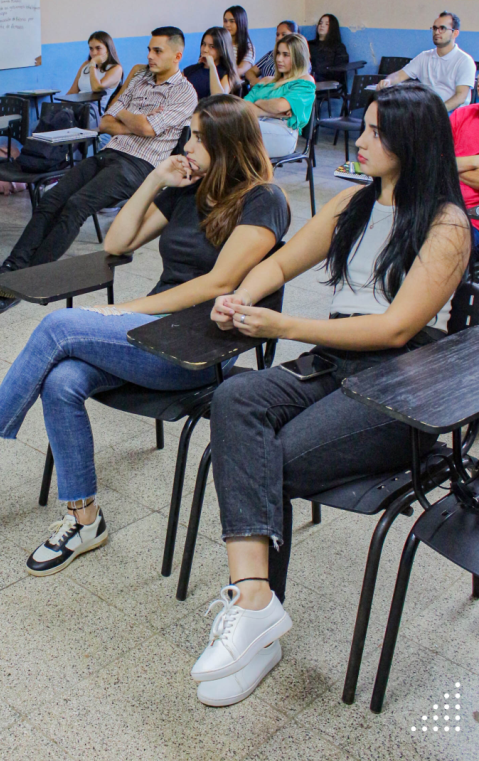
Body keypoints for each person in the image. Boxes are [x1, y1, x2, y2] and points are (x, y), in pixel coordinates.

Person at [0, 95, 290, 577]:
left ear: (228, 144)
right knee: (62, 381)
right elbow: (116, 243)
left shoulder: (263, 200)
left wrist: (124, 311)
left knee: (59, 325)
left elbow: (218, 284)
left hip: (200, 348)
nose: (188, 144)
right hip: (152, 333)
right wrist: (155, 181)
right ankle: (84, 520)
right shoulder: (191, 187)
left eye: (200, 137)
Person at [188, 83, 470, 708]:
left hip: (402, 383)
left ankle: (255, 617)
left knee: (265, 460)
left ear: (412, 142)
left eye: (374, 132)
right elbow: (283, 262)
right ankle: (256, 602)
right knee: (235, 399)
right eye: (364, 128)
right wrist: (246, 293)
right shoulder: (354, 203)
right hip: (335, 362)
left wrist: (283, 325)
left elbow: (396, 327)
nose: (360, 140)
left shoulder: (448, 225)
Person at [0, 27, 198, 314]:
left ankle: (25, 283)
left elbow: (146, 127)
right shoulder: (140, 78)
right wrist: (134, 119)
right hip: (108, 154)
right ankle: (11, 267)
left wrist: (128, 117)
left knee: (76, 206)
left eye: (157, 51)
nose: (149, 56)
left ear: (177, 55)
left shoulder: (185, 92)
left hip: (138, 166)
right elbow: (105, 121)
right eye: (149, 50)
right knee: (51, 199)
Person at [377, 12, 475, 112]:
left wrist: (438, 111)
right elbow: (400, 75)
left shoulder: (464, 61)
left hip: (452, 113)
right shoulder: (424, 56)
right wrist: (388, 81)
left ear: (455, 33)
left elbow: (460, 96)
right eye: (435, 28)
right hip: (425, 110)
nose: (437, 32)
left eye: (442, 28)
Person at [244, 33, 315, 157]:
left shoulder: (305, 81)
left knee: (237, 129)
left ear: (298, 57)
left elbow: (280, 106)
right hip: (255, 124)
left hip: (283, 132)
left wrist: (259, 102)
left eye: (285, 55)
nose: (279, 59)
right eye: (278, 53)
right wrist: (270, 112)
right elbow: (242, 108)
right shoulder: (266, 80)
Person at [450, 102, 479, 251]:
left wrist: (447, 167)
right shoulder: (460, 115)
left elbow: (439, 164)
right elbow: (433, 159)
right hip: (441, 205)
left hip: (473, 220)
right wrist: (474, 161)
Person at [183, 27, 240, 99]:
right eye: (204, 44)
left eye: (212, 46)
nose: (205, 50)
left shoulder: (227, 74)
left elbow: (218, 99)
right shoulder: (191, 70)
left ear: (222, 50)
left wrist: (212, 66)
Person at [67, 31, 123, 103]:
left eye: (98, 48)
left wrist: (93, 64)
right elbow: (72, 92)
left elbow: (96, 87)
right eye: (91, 49)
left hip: (94, 109)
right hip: (77, 106)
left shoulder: (116, 69)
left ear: (108, 49)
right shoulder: (85, 65)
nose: (94, 53)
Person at [244, 21, 299, 88]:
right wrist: (256, 82)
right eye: (277, 34)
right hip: (260, 91)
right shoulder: (270, 54)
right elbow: (250, 72)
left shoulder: (297, 58)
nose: (279, 38)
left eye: (283, 34)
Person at [307, 13, 349, 82]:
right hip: (309, 79)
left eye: (327, 24)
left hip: (328, 82)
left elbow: (339, 70)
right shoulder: (309, 45)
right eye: (320, 23)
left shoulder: (338, 47)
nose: (322, 26)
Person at [223, 6, 255, 79]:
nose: (227, 25)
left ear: (241, 23)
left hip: (236, 85)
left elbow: (241, 70)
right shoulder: (220, 44)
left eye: (232, 21)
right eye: (225, 21)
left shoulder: (248, 47)